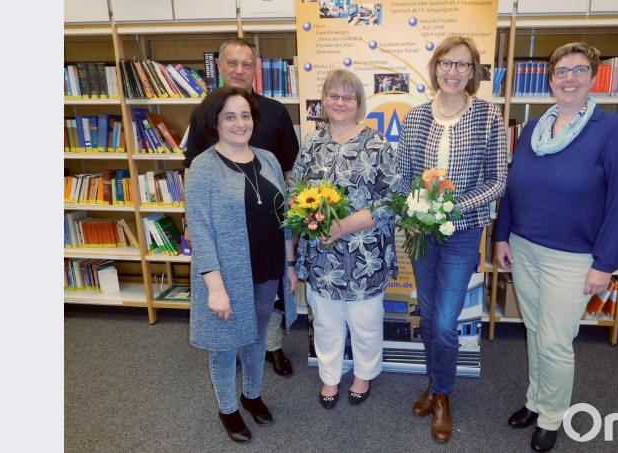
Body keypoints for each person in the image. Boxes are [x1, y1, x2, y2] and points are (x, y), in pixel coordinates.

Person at [492, 42, 618, 452]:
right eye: (561, 71)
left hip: (573, 258)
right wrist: (502, 235)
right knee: (536, 331)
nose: (569, 78)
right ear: (550, 79)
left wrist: (605, 263)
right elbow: (514, 187)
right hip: (525, 248)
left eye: (579, 70)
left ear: (594, 78)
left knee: (555, 341)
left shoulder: (612, 131)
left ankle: (551, 417)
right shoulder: (534, 129)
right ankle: (536, 401)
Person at [397, 35, 507, 443]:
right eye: (446, 63)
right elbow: (404, 176)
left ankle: (442, 394)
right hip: (422, 233)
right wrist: (414, 210)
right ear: (436, 68)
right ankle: (435, 382)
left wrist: (452, 207)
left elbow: (497, 180)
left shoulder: (488, 116)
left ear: (473, 71)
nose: (453, 71)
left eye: (463, 64)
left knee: (444, 322)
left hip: (462, 232)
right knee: (428, 316)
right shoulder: (416, 117)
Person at [185, 87, 298, 443]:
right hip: (228, 275)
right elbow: (200, 230)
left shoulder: (268, 159)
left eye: (245, 115)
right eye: (230, 116)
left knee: (257, 336)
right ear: (215, 122)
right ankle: (228, 408)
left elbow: (285, 216)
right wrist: (215, 288)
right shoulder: (203, 167)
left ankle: (251, 394)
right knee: (224, 345)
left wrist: (290, 265)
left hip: (267, 268)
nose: (239, 123)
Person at [290, 69, 399, 409]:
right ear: (324, 100)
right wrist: (310, 221)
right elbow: (295, 193)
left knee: (365, 323)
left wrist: (344, 225)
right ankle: (330, 377)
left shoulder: (376, 144)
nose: (340, 102)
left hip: (365, 255)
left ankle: (364, 374)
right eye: (333, 95)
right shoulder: (311, 143)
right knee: (325, 323)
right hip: (322, 257)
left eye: (347, 97)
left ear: (358, 103)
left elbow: (391, 200)